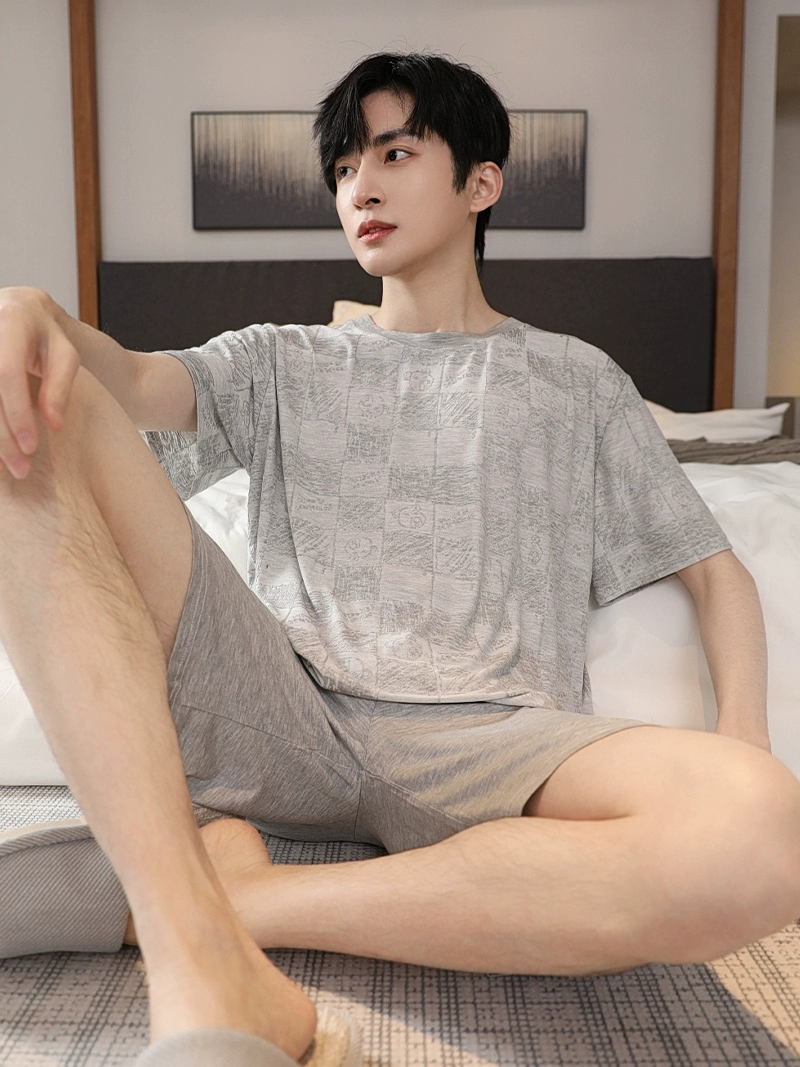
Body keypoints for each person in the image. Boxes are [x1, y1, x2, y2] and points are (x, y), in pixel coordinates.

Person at [1, 51, 799, 1067]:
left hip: (492, 737)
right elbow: (124, 379)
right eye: (343, 169)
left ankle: (235, 902)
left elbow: (714, 570)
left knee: (758, 830)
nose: (360, 189)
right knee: (30, 405)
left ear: (480, 182)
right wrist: (34, 312)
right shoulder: (279, 359)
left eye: (394, 154)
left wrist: (744, 740)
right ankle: (199, 942)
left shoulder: (579, 380)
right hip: (279, 707)